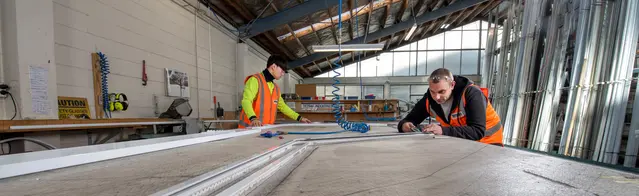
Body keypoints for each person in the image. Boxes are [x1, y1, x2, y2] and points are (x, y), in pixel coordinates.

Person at [397, 68, 503, 146]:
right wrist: (405, 125)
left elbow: (477, 131)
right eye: (432, 91)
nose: (437, 97)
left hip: (489, 143)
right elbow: (409, 119)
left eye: (441, 91)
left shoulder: (471, 94)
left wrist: (443, 130)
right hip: (462, 143)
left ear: (452, 85)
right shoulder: (429, 99)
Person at [238, 55, 311, 128]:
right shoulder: (255, 80)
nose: (282, 74)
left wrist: (299, 118)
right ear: (273, 67)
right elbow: (246, 101)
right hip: (248, 129)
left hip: (264, 130)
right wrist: (253, 118)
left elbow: (283, 107)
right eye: (282, 71)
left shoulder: (275, 88)